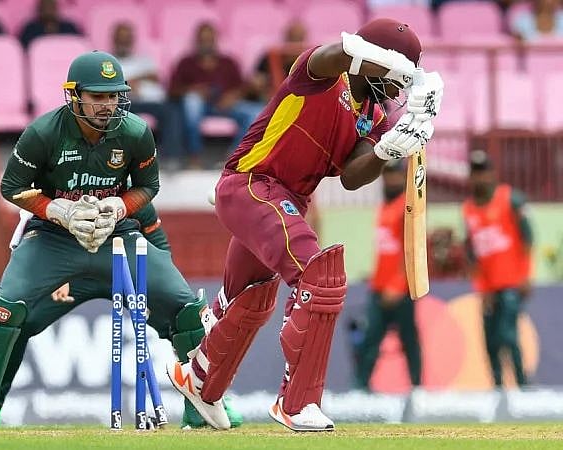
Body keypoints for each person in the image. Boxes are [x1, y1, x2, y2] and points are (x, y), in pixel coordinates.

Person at [166, 18, 444, 431]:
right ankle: (297, 403)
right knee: (320, 275)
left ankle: (200, 379)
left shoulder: (375, 115)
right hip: (252, 183)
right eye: (397, 76)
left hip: (288, 202)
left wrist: (388, 148)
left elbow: (352, 177)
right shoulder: (322, 73)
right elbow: (334, 53)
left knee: (252, 298)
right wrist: (388, 63)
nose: (397, 89)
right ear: (377, 60)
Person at [0, 50, 241, 431]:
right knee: (6, 309)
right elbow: (12, 187)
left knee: (186, 308)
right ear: (74, 95)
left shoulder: (135, 133)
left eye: (113, 95)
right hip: (54, 239)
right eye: (97, 96)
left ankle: (207, 404)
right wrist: (59, 211)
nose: (107, 105)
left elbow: (148, 187)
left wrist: (119, 207)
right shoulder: (43, 133)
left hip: (116, 238)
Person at [462, 150, 533, 389]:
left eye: (483, 172)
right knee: (490, 340)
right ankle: (498, 387)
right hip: (488, 287)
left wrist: (525, 276)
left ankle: (522, 386)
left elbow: (528, 239)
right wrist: (481, 288)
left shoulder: (511, 199)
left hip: (511, 283)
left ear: (492, 174)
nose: (479, 178)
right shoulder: (468, 209)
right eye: (475, 173)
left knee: (508, 335)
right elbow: (472, 253)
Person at [354, 161, 422, 391]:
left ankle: (417, 388)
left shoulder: (408, 207)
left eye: (395, 176)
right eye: (387, 175)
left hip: (400, 290)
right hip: (379, 287)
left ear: (403, 178)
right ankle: (360, 388)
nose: (391, 180)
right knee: (370, 339)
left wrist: (398, 284)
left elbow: (412, 249)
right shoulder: (384, 206)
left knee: (409, 340)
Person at [168, 22, 264, 169]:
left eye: (209, 39)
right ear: (196, 41)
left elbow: (243, 87)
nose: (206, 43)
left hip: (226, 105)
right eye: (203, 39)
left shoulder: (228, 62)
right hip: (200, 106)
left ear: (216, 40)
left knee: (256, 112)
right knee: (192, 102)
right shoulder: (186, 62)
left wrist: (233, 96)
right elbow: (172, 90)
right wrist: (193, 90)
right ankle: (194, 156)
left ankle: (233, 157)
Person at [112, 22, 185, 170]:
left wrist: (136, 79)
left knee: (172, 110)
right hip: (123, 101)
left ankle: (171, 158)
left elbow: (155, 78)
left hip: (151, 101)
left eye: (127, 38)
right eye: (121, 38)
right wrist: (127, 84)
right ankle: (119, 160)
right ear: (114, 39)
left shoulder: (143, 59)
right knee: (113, 110)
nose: (124, 41)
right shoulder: (109, 62)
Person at [248, 20, 308, 103]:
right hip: (268, 100)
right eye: (292, 38)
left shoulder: (309, 60)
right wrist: (259, 83)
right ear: (286, 38)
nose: (295, 43)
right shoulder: (270, 56)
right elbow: (257, 79)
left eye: (298, 39)